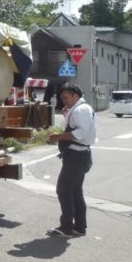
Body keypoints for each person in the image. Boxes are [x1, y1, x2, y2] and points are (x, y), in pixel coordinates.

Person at [46, 83, 97, 238]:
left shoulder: (81, 109)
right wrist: (67, 115)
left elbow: (80, 133)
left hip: (77, 156)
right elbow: (75, 127)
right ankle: (79, 227)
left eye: (65, 97)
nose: (63, 100)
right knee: (75, 191)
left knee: (63, 190)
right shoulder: (79, 109)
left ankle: (66, 228)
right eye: (62, 98)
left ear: (75, 95)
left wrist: (58, 137)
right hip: (79, 156)